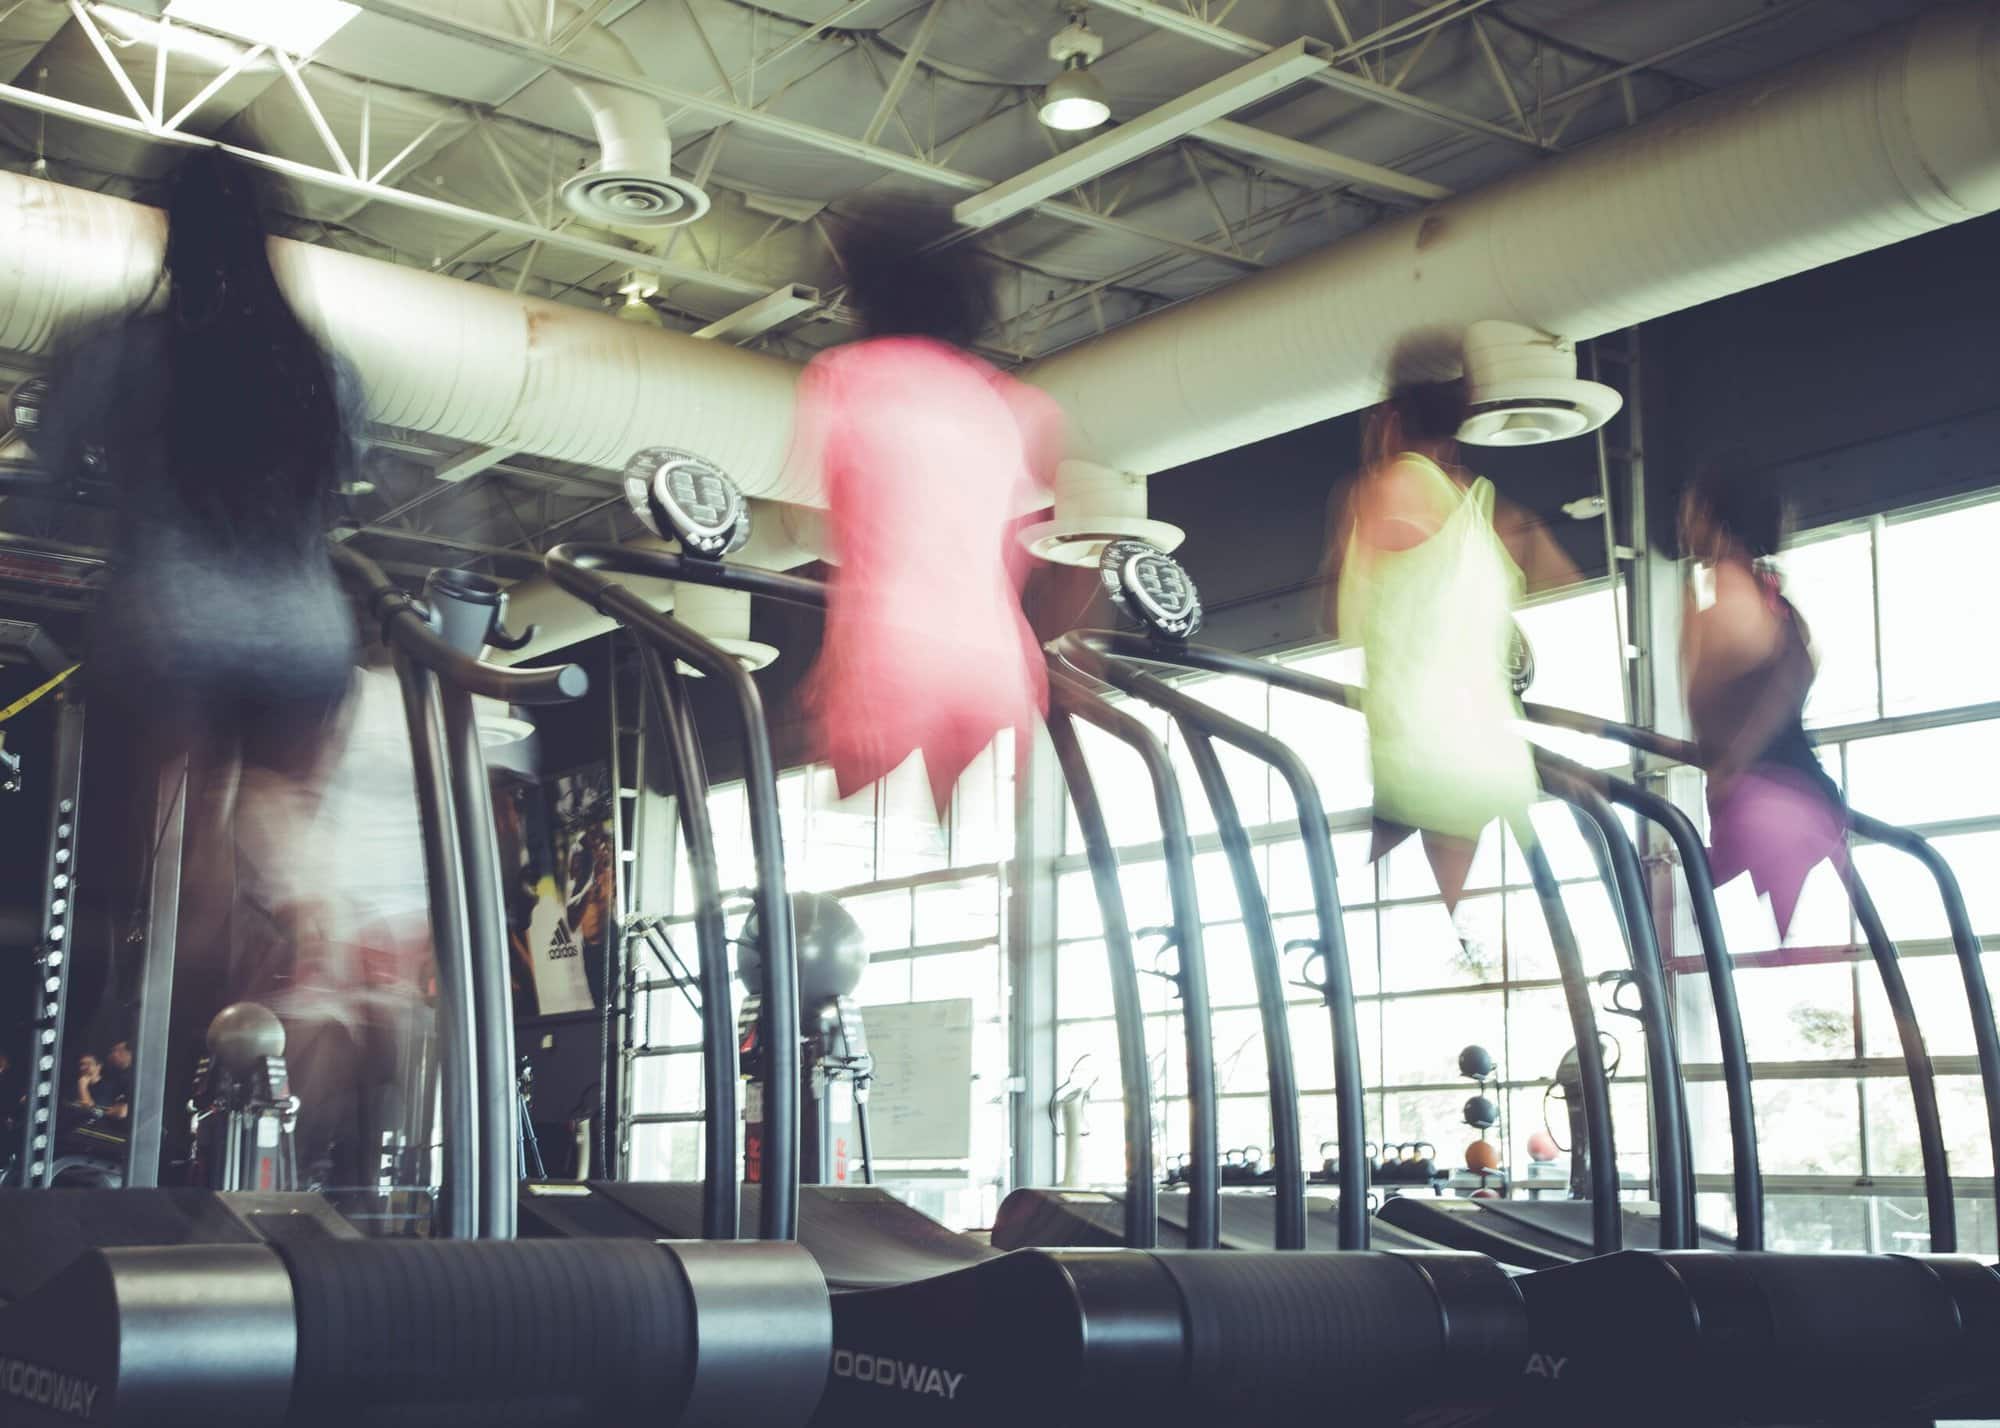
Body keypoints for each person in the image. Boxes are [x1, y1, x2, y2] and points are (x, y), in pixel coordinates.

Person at [791, 221, 1062, 817]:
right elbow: (1012, 550)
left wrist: (835, 661)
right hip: (995, 658)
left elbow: (852, 533)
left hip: (895, 649)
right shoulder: (998, 399)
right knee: (961, 847)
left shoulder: (848, 375)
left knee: (860, 836)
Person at [1326, 377, 1576, 913]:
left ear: (1388, 422)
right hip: (1487, 755)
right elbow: (1562, 574)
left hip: (1422, 753)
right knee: (1453, 930)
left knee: (1382, 928)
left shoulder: (1393, 486)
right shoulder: (1483, 508)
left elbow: (1332, 612)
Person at [1679, 459, 1845, 938]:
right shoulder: (1778, 602)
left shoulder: (1719, 609)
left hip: (1764, 806)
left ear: (1713, 517)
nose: (1683, 521)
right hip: (1810, 797)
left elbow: (1705, 713)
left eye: (1690, 509)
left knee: (1651, 904)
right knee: (1666, 905)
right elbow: (1800, 673)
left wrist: (1733, 764)